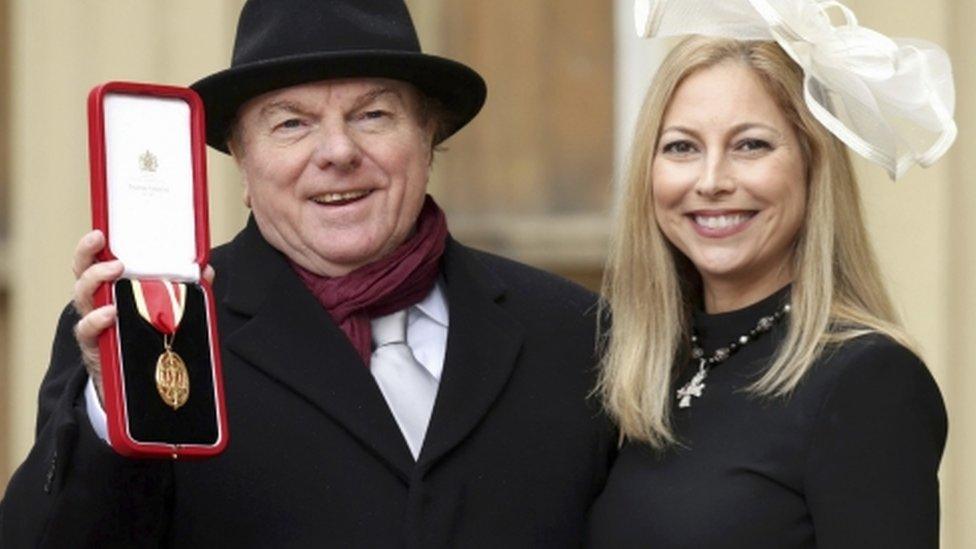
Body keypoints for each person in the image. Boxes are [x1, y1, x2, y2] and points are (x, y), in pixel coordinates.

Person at [0, 0, 616, 546]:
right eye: (291, 123)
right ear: (242, 161)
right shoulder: (155, 326)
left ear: (429, 137)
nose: (339, 152)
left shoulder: (576, 334)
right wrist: (115, 415)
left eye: (373, 114)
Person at [586, 1, 953, 547]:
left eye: (750, 145)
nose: (711, 180)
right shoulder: (638, 367)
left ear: (812, 164)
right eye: (682, 147)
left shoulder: (867, 382)